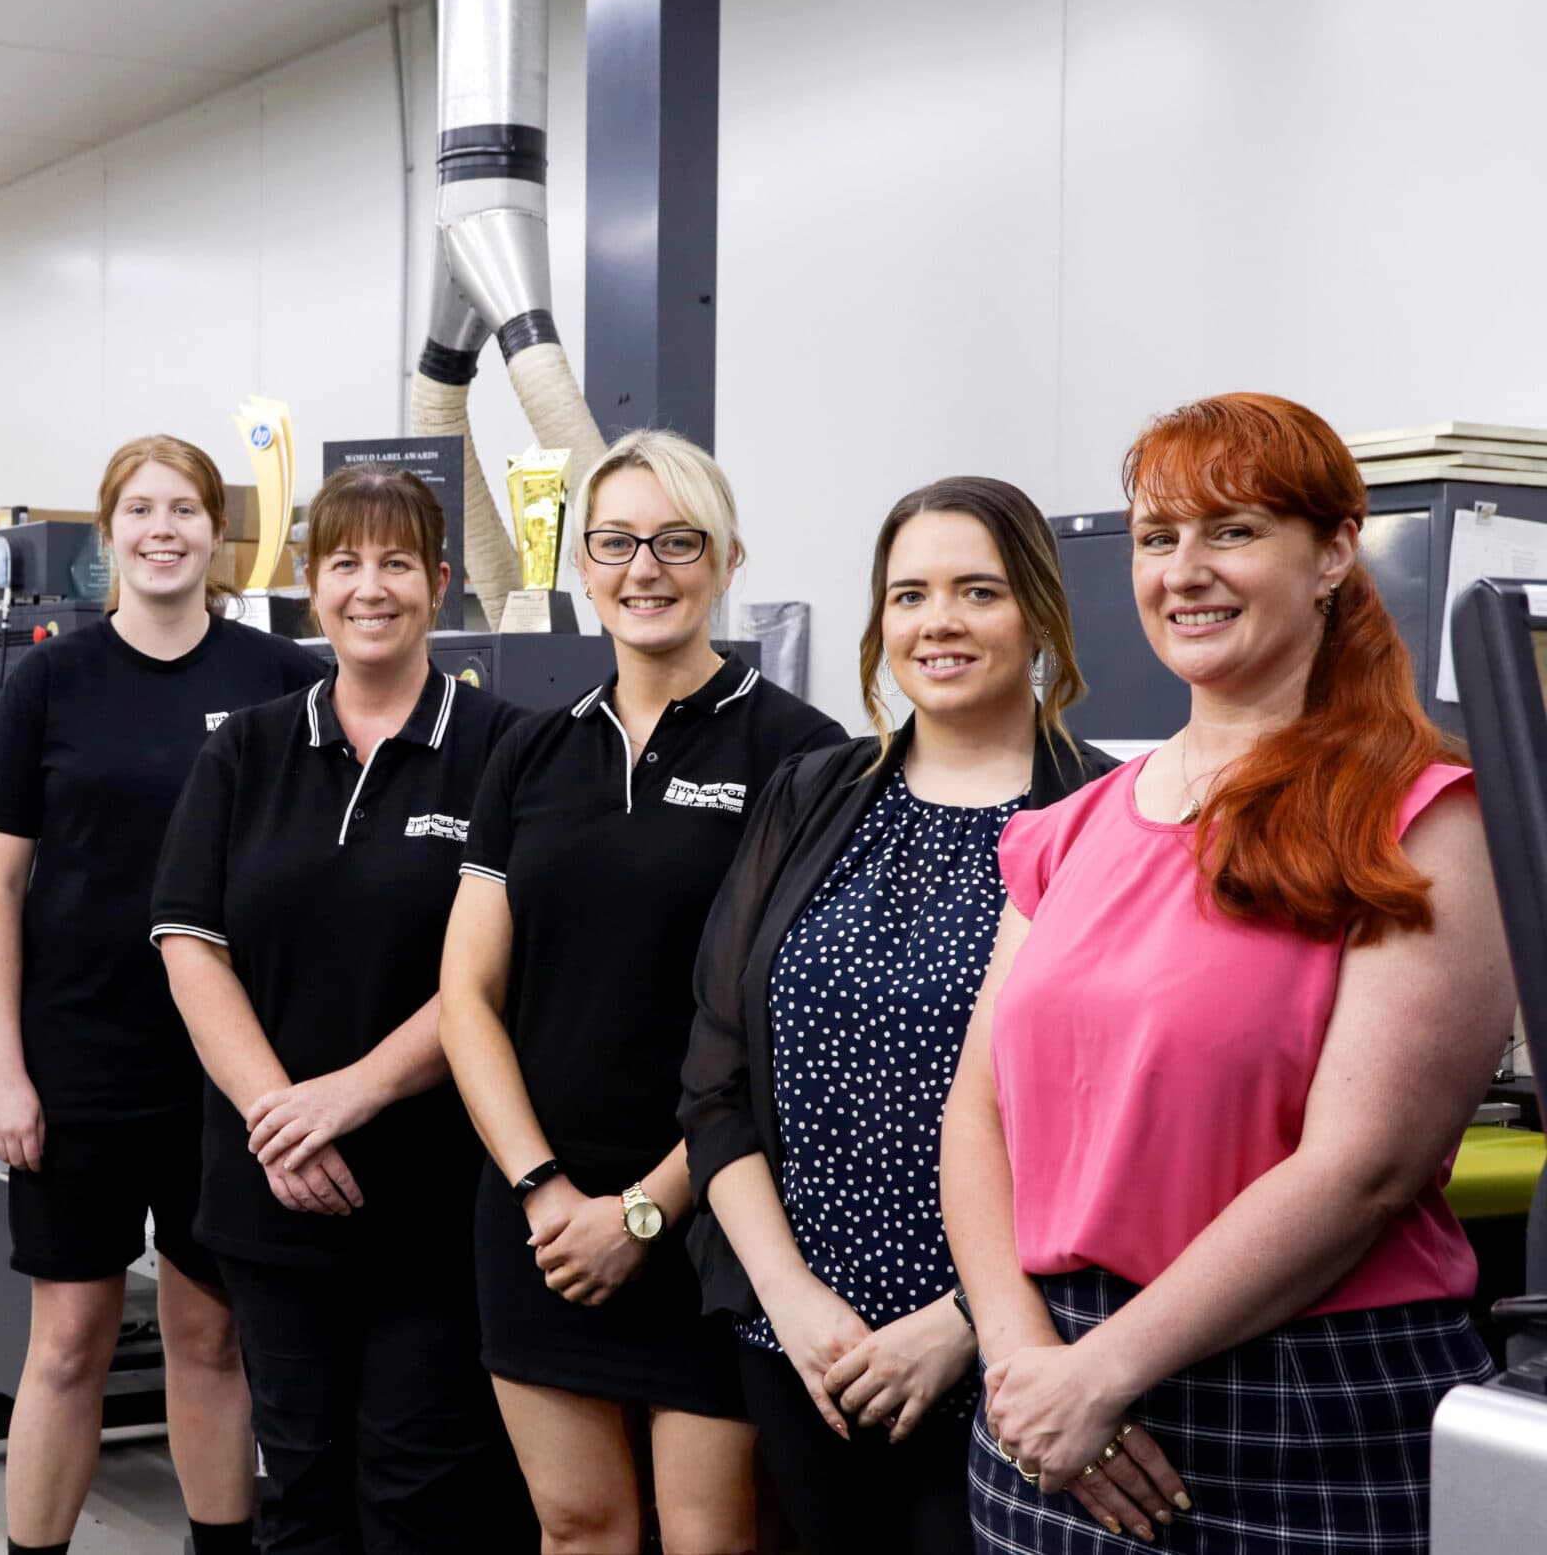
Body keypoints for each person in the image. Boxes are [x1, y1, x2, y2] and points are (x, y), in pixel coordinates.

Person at [941, 394, 1515, 1554]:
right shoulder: (1071, 827)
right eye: (1158, 538)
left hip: (1303, 1400)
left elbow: (1367, 1165)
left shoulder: (1420, 816)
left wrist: (1107, 1370)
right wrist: (1023, 1364)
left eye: (1234, 531)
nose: (1185, 572)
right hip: (1044, 1401)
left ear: (1334, 553)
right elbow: (976, 1112)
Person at [680, 478, 1116, 1554]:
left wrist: (959, 1330)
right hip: (803, 1350)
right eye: (909, 594)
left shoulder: (1105, 826)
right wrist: (787, 1300)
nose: (939, 622)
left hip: (1013, 1359)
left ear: (1040, 617)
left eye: (977, 591)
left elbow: (1120, 1134)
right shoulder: (809, 795)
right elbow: (715, 1080)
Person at [440, 429, 846, 1554]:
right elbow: (468, 994)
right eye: (615, 542)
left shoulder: (802, 756)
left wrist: (647, 1209)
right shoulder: (530, 754)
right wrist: (540, 1191)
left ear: (725, 559)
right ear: (581, 566)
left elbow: (785, 1026)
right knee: (576, 1527)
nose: (644, 569)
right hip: (538, 1218)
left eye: (677, 540)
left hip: (718, 1218)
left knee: (713, 1534)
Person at [0, 435, 326, 1555]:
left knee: (208, 1337)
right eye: (140, 510)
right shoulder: (52, 681)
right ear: (108, 534)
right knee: (66, 1342)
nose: (163, 530)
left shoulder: (277, 679)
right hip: (80, 1066)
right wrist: (7, 1072)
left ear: (218, 534)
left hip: (226, 1075)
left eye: (185, 510)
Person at [152, 466, 536, 1553]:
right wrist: (280, 1114)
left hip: (434, 1196)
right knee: (303, 1482)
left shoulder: (506, 749)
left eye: (398, 563)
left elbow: (497, 969)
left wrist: (351, 1097)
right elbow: (188, 943)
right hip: (269, 1189)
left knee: (419, 1491)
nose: (372, 588)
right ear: (311, 585)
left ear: (443, 584)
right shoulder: (245, 748)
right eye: (347, 564)